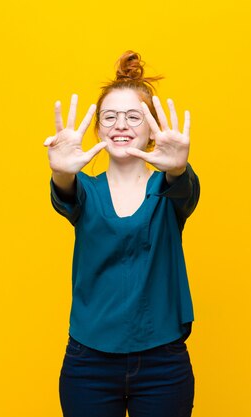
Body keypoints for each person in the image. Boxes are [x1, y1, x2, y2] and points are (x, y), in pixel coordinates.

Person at [43, 51, 199, 417]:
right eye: (109, 117)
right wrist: (62, 173)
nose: (120, 125)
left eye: (134, 116)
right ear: (97, 128)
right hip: (89, 364)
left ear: (152, 128)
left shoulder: (169, 190)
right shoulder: (85, 191)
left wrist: (178, 168)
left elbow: (185, 190)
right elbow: (65, 194)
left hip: (163, 363)